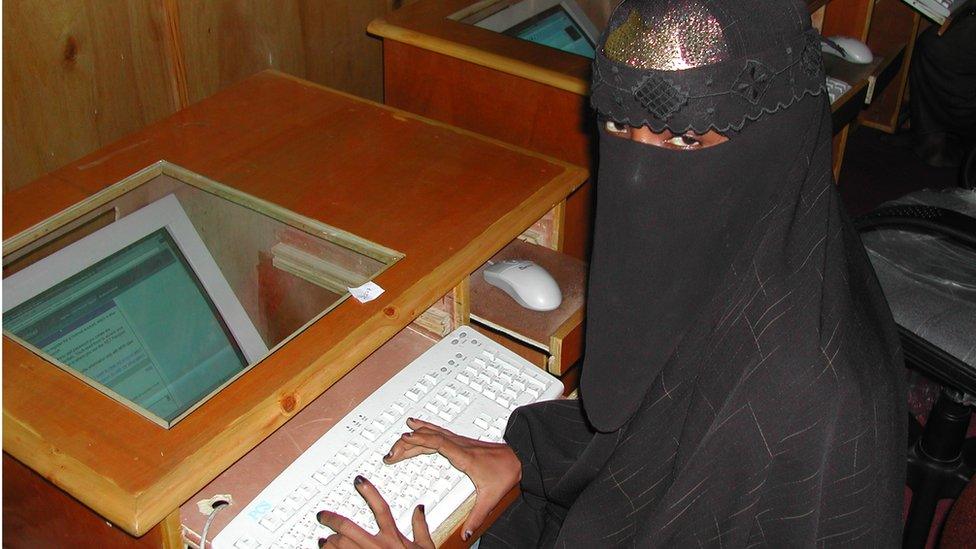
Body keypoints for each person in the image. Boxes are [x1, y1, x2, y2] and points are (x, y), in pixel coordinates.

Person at [316, 0, 907, 546]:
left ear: (772, 139)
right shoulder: (776, 245)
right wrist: (529, 458)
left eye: (683, 136)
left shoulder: (807, 410)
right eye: (620, 127)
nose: (640, 174)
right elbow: (659, 419)